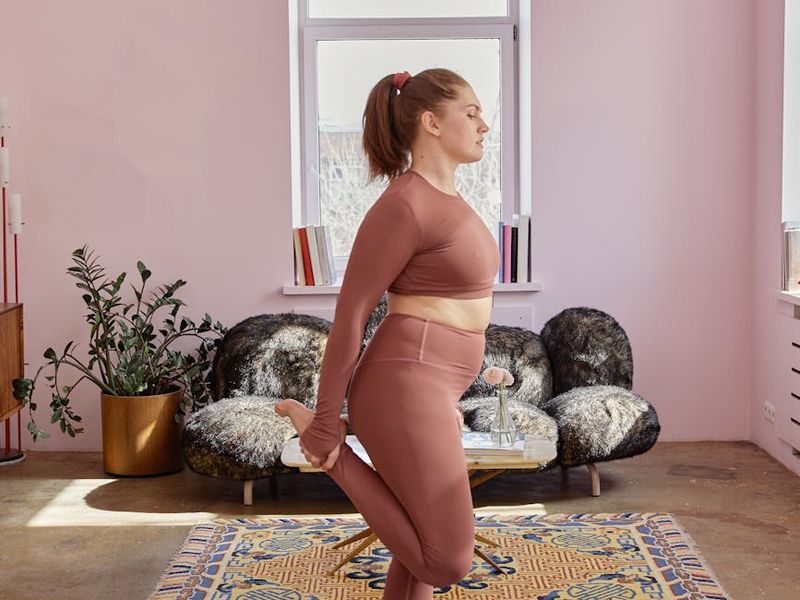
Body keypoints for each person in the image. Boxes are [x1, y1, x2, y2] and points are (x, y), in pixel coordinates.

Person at [275, 67, 496, 599]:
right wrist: (327, 424)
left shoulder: (450, 200)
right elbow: (351, 313)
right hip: (405, 385)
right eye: (471, 112)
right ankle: (333, 459)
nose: (484, 125)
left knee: (418, 545)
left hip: (432, 383)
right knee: (447, 560)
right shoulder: (404, 204)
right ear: (431, 122)